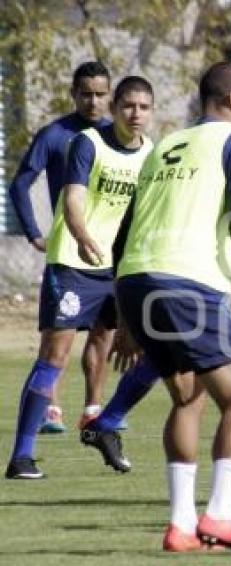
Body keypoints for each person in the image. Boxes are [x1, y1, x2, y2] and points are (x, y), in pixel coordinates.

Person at [111, 62, 231, 554]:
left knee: (188, 399)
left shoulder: (162, 145)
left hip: (136, 282)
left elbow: (123, 234)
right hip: (188, 284)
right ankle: (222, 517)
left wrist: (124, 317)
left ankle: (182, 526)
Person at [5, 76, 155, 480]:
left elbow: (143, 217)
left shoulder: (151, 154)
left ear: (151, 111)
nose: (135, 114)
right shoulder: (87, 143)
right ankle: (21, 457)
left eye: (143, 107)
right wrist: (84, 237)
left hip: (119, 269)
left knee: (129, 347)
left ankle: (99, 421)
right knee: (54, 355)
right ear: (115, 108)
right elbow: (72, 199)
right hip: (74, 260)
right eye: (128, 106)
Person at [7, 61, 115, 433]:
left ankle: (93, 407)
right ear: (74, 94)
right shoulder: (55, 135)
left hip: (111, 255)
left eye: (101, 94)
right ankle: (51, 408)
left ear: (110, 95)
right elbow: (20, 184)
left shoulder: (117, 138)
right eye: (86, 94)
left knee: (104, 333)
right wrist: (35, 233)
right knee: (58, 335)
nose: (93, 101)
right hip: (69, 253)